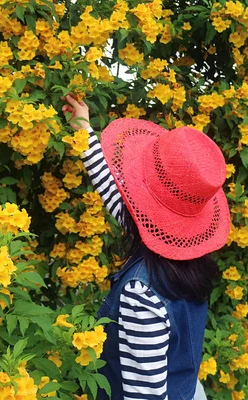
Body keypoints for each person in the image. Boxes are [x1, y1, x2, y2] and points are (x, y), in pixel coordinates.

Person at [61, 95, 230, 400]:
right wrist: (82, 128)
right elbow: (116, 197)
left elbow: (146, 395)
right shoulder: (188, 255)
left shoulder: (142, 295)